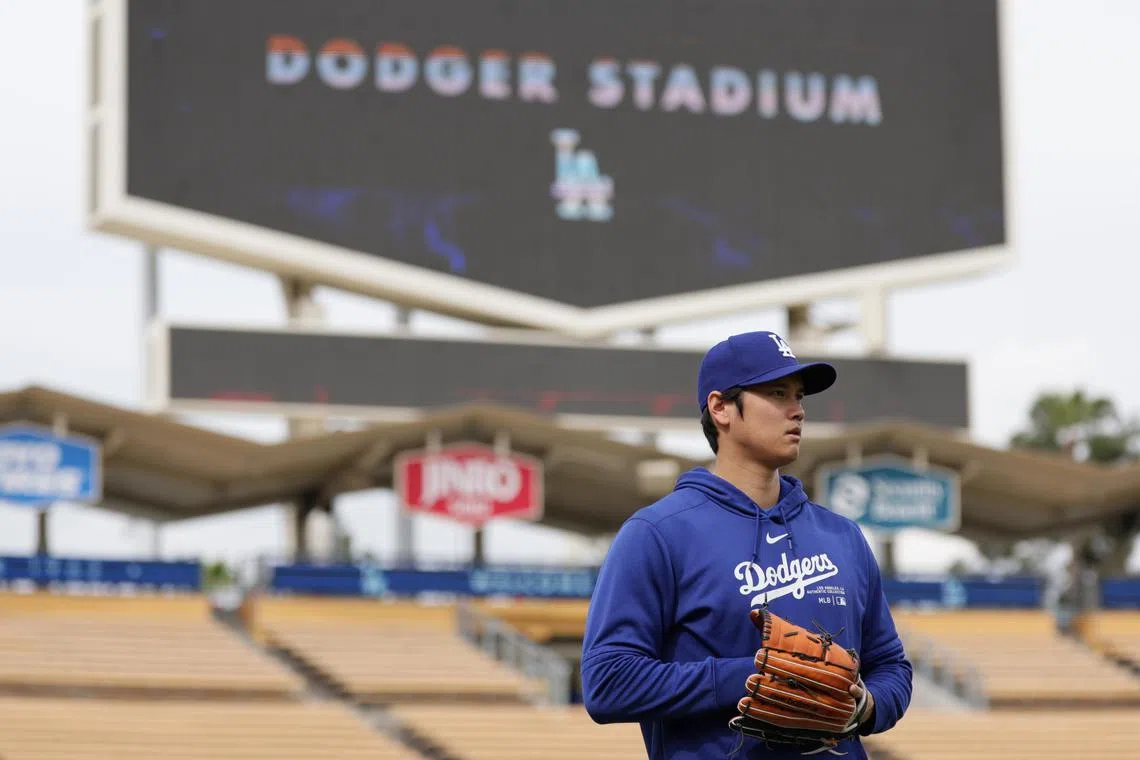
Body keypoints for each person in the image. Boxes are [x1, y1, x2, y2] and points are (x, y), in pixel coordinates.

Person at [580, 330, 912, 759]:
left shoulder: (842, 536)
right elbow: (608, 682)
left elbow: (891, 667)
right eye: (777, 393)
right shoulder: (658, 534)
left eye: (800, 397)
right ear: (720, 408)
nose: (797, 411)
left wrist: (865, 706)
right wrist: (751, 676)